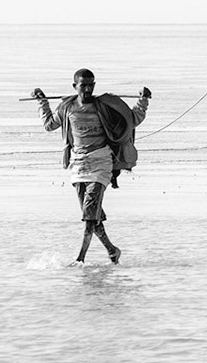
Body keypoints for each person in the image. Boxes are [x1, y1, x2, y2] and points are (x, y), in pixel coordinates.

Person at [34, 70, 150, 264]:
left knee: (89, 215)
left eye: (91, 85)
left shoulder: (105, 106)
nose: (87, 89)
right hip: (78, 165)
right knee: (92, 215)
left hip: (101, 163)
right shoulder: (67, 107)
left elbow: (132, 120)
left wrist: (143, 101)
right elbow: (48, 124)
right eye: (83, 85)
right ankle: (112, 251)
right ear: (75, 86)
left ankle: (80, 259)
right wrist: (42, 102)